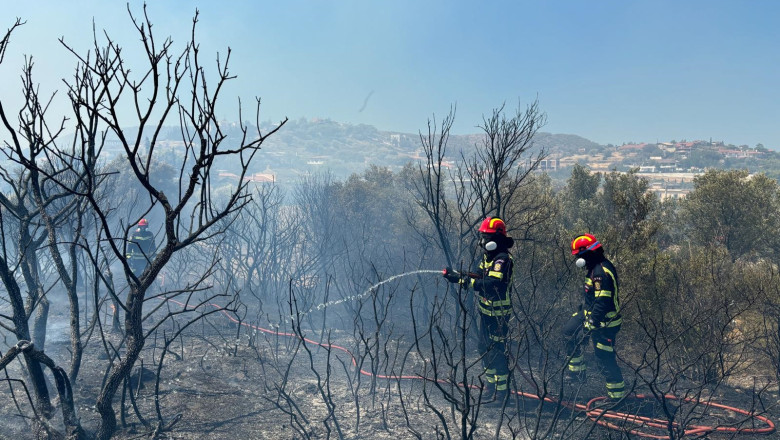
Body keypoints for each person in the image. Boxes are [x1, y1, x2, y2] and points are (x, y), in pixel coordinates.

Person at [444, 216, 514, 405]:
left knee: (497, 352)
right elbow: (479, 275)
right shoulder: (487, 257)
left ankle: (502, 394)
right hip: (486, 312)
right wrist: (458, 275)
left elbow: (493, 284)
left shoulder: (503, 259)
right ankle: (491, 387)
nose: (482, 241)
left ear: (497, 238)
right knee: (484, 349)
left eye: (486, 236)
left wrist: (467, 282)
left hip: (499, 315)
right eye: (482, 236)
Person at [563, 233, 626, 401]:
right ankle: (577, 372)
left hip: (605, 323)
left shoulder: (600, 272)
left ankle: (617, 398)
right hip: (592, 315)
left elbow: (603, 302)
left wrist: (590, 324)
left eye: (579, 255)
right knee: (568, 331)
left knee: (604, 359)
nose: (577, 259)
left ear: (588, 253)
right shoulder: (593, 269)